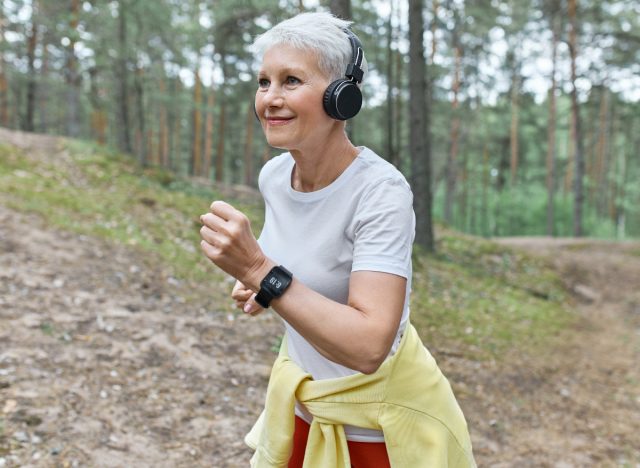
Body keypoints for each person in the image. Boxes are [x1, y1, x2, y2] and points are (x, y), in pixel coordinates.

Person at [199, 11, 475, 468]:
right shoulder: (275, 176)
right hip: (303, 407)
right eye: (264, 81)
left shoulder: (380, 193)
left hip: (377, 427)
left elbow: (370, 346)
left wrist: (258, 271)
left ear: (340, 97)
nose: (270, 98)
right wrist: (260, 289)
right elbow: (297, 275)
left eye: (291, 81)